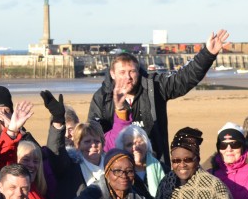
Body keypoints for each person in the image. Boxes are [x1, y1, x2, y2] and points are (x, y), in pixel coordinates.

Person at [88, 30, 230, 163]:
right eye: (122, 72)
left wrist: (208, 54)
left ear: (138, 71)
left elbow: (183, 79)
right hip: (116, 166)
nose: (128, 77)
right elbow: (95, 136)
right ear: (112, 74)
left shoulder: (153, 86)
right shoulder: (102, 97)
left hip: (155, 163)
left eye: (132, 72)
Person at [116, 125, 166, 199]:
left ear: (147, 144)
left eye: (139, 142)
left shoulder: (162, 168)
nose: (135, 148)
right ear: (122, 149)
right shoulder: (120, 173)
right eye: (129, 144)